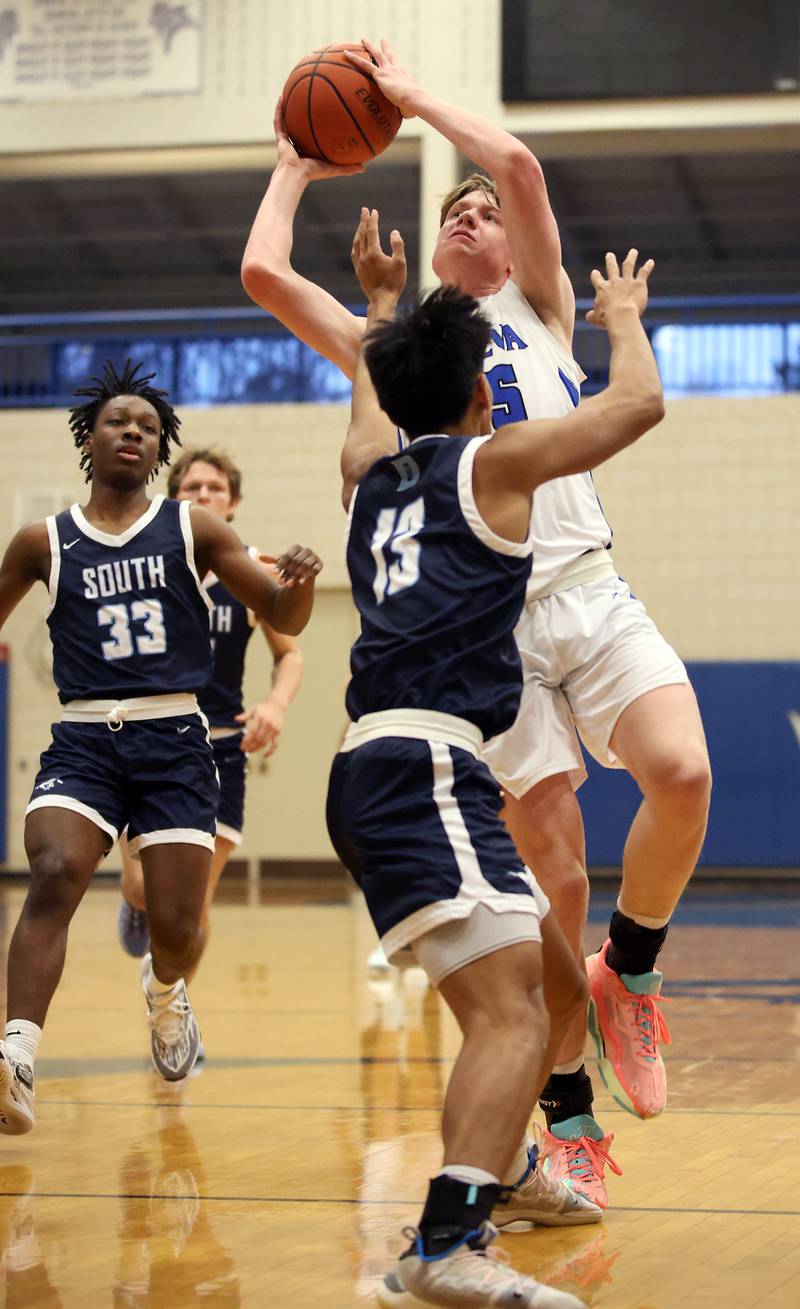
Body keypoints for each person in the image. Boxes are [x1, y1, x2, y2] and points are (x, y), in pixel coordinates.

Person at [241, 37, 712, 1207]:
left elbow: (512, 158)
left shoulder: (542, 305)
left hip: (585, 592)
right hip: (482, 632)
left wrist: (400, 99)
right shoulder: (399, 351)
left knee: (685, 771)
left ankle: (632, 975)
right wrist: (298, 161)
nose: (467, 209)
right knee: (547, 880)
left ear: (507, 242)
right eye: (448, 205)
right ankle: (565, 1121)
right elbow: (260, 274)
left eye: (480, 209)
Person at [328, 209, 662, 1307]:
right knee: (509, 1010)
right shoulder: (497, 462)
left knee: (555, 976)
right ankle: (443, 1239)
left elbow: (366, 411)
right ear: (482, 394)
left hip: (402, 767)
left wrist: (380, 304)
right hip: (422, 764)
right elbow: (636, 405)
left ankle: (509, 1165)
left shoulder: (372, 475)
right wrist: (618, 319)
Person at [0, 360, 321, 1134]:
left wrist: (304, 581)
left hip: (177, 738)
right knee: (55, 869)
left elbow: (284, 614)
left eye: (147, 425)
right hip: (83, 736)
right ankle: (15, 1052)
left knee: (178, 924)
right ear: (89, 436)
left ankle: (168, 996)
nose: (133, 432)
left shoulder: (195, 529)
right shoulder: (43, 540)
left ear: (158, 447)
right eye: (119, 421)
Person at [116, 446, 304, 968]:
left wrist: (276, 704)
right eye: (191, 488)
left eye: (215, 488)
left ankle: (173, 1015)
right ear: (172, 499)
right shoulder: (146, 565)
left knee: (192, 905)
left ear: (234, 502)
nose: (203, 495)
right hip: (148, 739)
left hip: (220, 747)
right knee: (141, 887)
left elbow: (289, 655)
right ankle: (135, 904)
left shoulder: (249, 572)